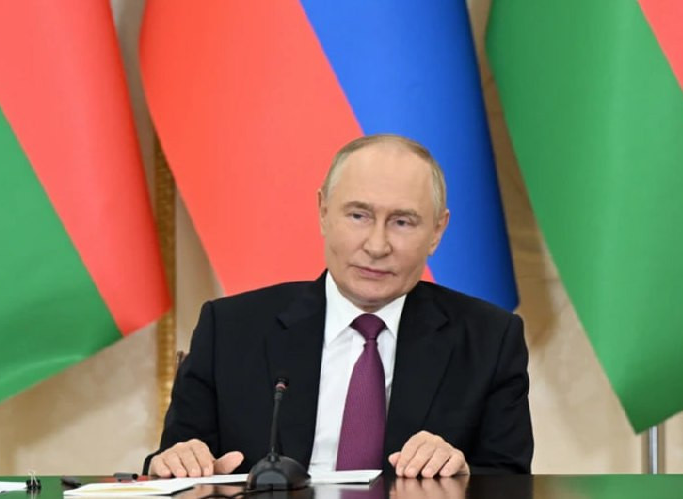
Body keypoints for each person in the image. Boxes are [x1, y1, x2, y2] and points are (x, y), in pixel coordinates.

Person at [144, 134, 533, 478]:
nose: (377, 246)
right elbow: (171, 462)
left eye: (402, 222)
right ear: (323, 212)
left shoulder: (489, 340)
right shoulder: (230, 329)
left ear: (436, 232)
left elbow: (510, 479)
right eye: (359, 215)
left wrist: (462, 474)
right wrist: (179, 463)